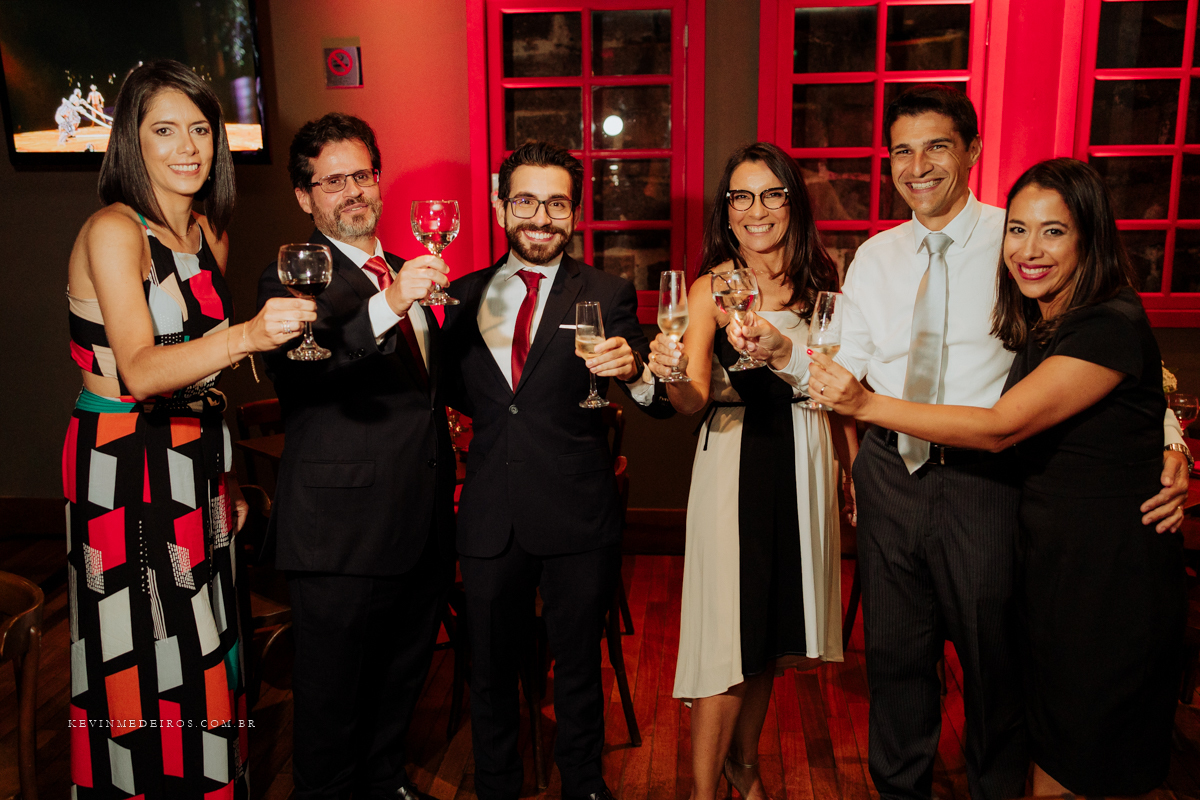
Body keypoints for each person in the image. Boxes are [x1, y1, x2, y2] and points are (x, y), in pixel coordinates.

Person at [730, 85, 1190, 800]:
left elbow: (1110, 356)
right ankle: (901, 788)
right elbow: (843, 361)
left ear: (972, 151)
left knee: (993, 659)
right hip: (889, 475)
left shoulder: (1022, 241)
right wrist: (780, 355)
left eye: (937, 146)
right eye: (903, 151)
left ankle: (997, 788)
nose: (919, 166)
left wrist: (1171, 440)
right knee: (896, 659)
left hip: (986, 480)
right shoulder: (876, 256)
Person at [63, 59, 313, 798]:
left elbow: (196, 381)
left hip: (196, 461)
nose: (187, 147)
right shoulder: (114, 228)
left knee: (207, 642)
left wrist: (226, 482)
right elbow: (141, 370)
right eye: (164, 130)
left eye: (201, 129)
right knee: (143, 650)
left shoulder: (207, 230)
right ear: (129, 142)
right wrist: (246, 336)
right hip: (124, 466)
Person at [441, 141, 671, 800]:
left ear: (576, 211)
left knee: (576, 663)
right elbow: (456, 394)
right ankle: (499, 784)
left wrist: (636, 370)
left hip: (576, 509)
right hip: (488, 511)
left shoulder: (607, 290)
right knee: (489, 669)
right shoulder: (460, 297)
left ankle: (583, 782)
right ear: (499, 206)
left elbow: (653, 400)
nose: (541, 217)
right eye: (525, 201)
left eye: (557, 203)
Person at [256, 112, 456, 800]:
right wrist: (391, 303)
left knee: (402, 673)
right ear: (304, 196)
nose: (352, 191)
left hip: (421, 519)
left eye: (362, 174)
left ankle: (384, 778)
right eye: (332, 180)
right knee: (331, 700)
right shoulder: (290, 278)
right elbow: (305, 374)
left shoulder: (408, 269)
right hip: (338, 534)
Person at [644, 143, 852, 800]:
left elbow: (846, 381)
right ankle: (706, 791)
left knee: (768, 634)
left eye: (770, 194)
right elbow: (691, 401)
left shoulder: (827, 278)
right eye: (740, 196)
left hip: (807, 457)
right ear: (726, 210)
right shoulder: (710, 288)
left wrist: (848, 469)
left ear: (794, 201)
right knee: (725, 637)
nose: (755, 210)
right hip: (735, 463)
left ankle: (746, 763)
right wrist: (672, 371)